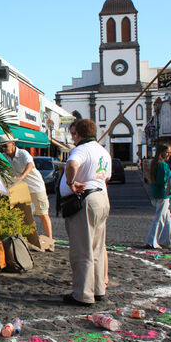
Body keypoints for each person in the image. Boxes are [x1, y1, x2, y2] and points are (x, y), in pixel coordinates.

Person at [59, 119, 111, 306]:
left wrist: (71, 183)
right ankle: (98, 289)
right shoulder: (103, 151)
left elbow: (72, 165)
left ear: (78, 134)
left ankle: (82, 294)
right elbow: (108, 177)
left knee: (82, 250)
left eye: (73, 134)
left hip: (86, 200)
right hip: (101, 199)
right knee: (97, 248)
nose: (72, 138)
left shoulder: (81, 149)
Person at [0, 134, 53, 249]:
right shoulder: (4, 156)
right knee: (23, 216)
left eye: (5, 146)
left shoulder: (23, 153)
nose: (4, 148)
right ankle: (28, 241)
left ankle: (50, 242)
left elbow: (30, 164)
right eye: (2, 147)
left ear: (13, 144)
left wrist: (22, 175)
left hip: (36, 187)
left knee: (42, 214)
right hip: (21, 189)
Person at [145, 144, 171, 249]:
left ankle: (166, 240)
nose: (169, 154)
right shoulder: (162, 165)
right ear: (162, 152)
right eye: (167, 152)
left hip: (161, 193)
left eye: (170, 152)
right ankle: (152, 240)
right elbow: (162, 180)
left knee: (167, 218)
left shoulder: (157, 163)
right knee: (159, 217)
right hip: (163, 193)